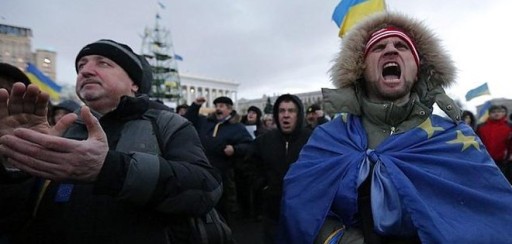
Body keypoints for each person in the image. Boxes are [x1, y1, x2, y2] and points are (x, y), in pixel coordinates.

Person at [278, 12, 512, 243]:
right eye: (378, 48)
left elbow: (492, 216)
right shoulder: (330, 136)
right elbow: (300, 203)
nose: (391, 49)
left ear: (417, 67)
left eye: (402, 46)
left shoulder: (453, 137)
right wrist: (342, 240)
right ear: (361, 67)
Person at [0, 39, 222, 243]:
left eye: (103, 63)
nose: (85, 71)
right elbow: (16, 214)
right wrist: (16, 158)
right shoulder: (62, 128)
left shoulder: (167, 124)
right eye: (81, 66)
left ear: (134, 83)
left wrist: (110, 169)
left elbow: (205, 188)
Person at [249, 94, 311, 243]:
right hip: (273, 211)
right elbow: (252, 167)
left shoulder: (313, 140)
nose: (286, 115)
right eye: (282, 111)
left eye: (291, 111)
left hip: (306, 212)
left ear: (299, 114)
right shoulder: (264, 141)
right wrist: (263, 186)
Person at [184, 96, 253, 225]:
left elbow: (249, 145)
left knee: (223, 204)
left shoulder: (237, 127)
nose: (218, 109)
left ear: (229, 109)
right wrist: (195, 105)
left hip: (223, 172)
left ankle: (223, 228)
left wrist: (235, 149)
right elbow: (189, 120)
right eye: (216, 106)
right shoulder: (206, 121)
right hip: (202, 168)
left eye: (221, 106)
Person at [476, 104, 512, 182]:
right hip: (485, 160)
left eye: (499, 112)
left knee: (502, 181)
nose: (496, 114)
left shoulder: (509, 126)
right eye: (494, 112)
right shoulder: (481, 127)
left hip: (502, 161)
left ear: (503, 113)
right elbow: (477, 142)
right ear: (489, 114)